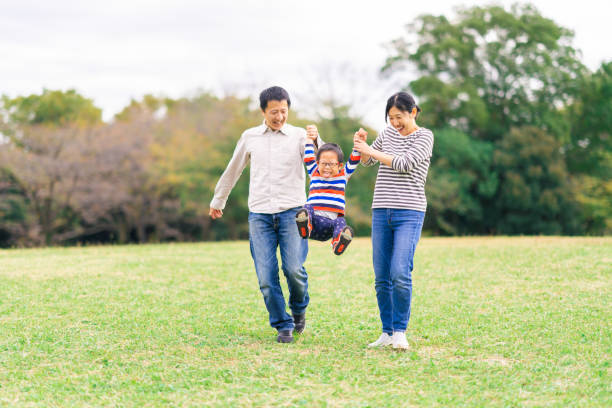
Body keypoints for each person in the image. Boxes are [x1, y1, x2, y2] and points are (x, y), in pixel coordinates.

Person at [209, 86, 323, 343]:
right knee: (265, 276)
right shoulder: (250, 136)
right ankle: (283, 325)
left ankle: (299, 308)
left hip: (293, 213)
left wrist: (316, 140)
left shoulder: (299, 136)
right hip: (260, 214)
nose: (279, 117)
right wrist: (219, 199)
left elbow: (325, 162)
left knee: (294, 269)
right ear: (263, 111)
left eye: (283, 111)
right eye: (274, 112)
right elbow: (233, 168)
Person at [353, 92, 434, 350]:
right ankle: (386, 332)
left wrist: (371, 153)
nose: (395, 122)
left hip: (409, 212)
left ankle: (400, 331)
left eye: (399, 117)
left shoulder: (425, 136)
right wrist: (361, 146)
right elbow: (367, 161)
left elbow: (404, 163)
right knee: (381, 276)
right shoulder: (387, 134)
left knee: (400, 271)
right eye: (390, 118)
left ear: (413, 112)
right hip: (381, 210)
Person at [295, 139, 361, 255]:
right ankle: (305, 226)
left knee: (341, 221)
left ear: (340, 165)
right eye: (323, 163)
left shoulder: (343, 176)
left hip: (329, 227)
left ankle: (338, 242)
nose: (326, 167)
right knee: (307, 208)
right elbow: (308, 158)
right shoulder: (314, 173)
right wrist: (310, 141)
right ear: (318, 163)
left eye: (331, 164)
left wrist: (358, 144)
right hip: (313, 223)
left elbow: (353, 162)